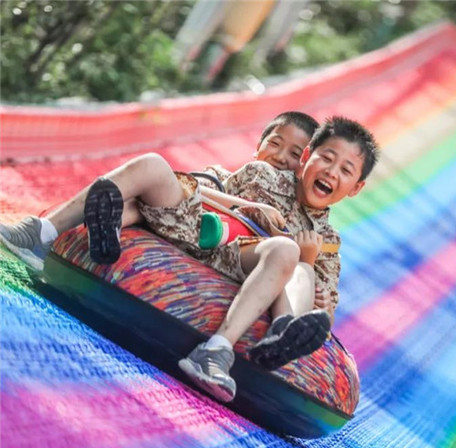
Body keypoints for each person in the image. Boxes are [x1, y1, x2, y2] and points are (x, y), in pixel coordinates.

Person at [0, 115, 379, 404]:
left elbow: (322, 315)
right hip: (199, 230)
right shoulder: (263, 175)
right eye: (326, 158)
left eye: (345, 170)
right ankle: (43, 232)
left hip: (242, 263)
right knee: (153, 165)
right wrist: (249, 206)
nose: (331, 171)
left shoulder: (329, 243)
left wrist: (314, 282)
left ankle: (221, 350)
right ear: (308, 158)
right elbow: (202, 189)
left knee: (290, 252)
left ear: (357, 188)